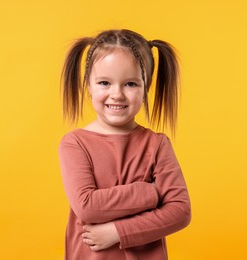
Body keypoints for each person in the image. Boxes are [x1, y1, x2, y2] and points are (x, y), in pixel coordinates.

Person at [58, 29, 191, 260]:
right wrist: (150, 193)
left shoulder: (157, 144)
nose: (116, 94)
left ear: (145, 88)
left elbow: (180, 211)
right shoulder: (75, 144)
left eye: (130, 84)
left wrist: (117, 232)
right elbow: (87, 206)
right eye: (104, 83)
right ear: (88, 85)